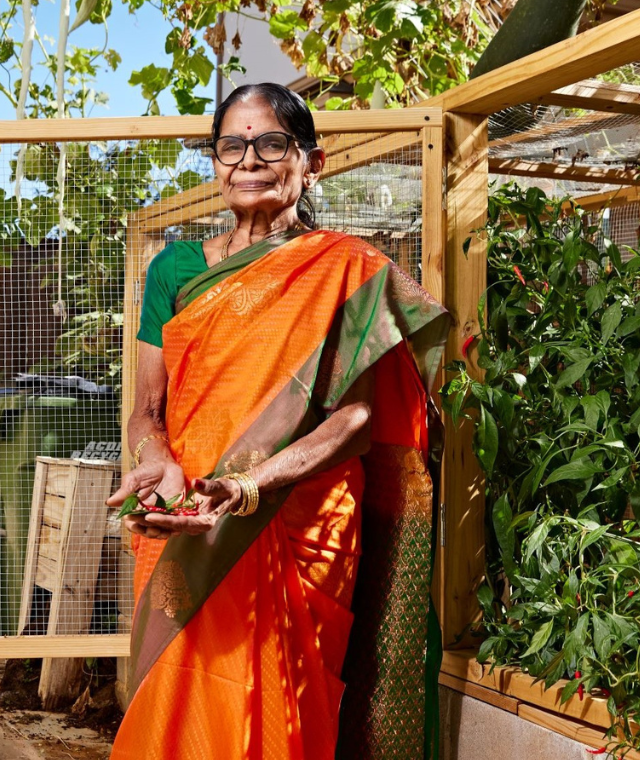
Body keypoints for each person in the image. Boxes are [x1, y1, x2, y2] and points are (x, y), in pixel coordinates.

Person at [107, 83, 448, 759]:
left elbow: (354, 419)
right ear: (215, 160)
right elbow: (148, 411)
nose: (249, 160)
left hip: (301, 519)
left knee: (289, 705)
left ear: (312, 161)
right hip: (189, 523)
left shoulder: (347, 269)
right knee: (178, 705)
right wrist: (158, 462)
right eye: (231, 145)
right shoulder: (174, 269)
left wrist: (249, 486)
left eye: (271, 143)